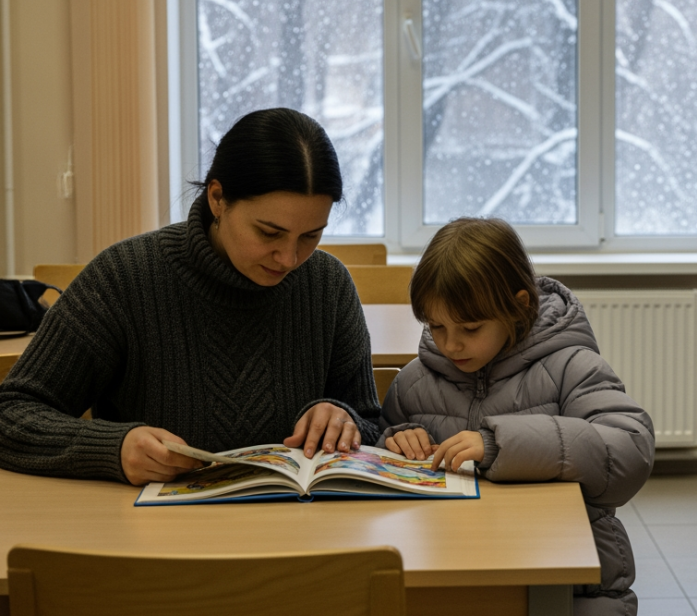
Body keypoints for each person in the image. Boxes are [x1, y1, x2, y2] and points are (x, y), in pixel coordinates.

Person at [0, 108, 382, 485]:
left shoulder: (327, 285)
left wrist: (343, 419)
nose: (290, 258)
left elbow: (373, 424)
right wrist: (113, 448)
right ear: (217, 198)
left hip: (300, 530)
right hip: (150, 535)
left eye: (311, 235)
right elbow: (11, 413)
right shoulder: (124, 279)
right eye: (268, 233)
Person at [380, 217, 654, 616]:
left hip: (571, 582)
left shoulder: (571, 367)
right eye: (436, 326)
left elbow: (630, 450)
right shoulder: (414, 381)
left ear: (518, 306)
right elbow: (383, 454)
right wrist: (396, 437)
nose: (451, 343)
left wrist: (500, 444)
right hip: (452, 571)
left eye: (470, 328)